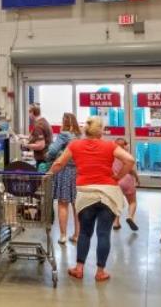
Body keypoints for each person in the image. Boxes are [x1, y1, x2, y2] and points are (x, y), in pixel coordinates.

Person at [49, 117, 135, 282]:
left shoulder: (75, 145)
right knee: (103, 234)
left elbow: (59, 163)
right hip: (108, 194)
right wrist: (118, 176)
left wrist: (47, 176)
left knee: (85, 233)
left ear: (85, 130)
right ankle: (100, 272)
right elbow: (129, 160)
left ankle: (79, 268)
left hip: (86, 193)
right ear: (101, 130)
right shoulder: (110, 145)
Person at [46, 113, 81, 245]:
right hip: (77, 172)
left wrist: (48, 154)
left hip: (65, 171)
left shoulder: (64, 134)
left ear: (64, 122)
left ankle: (63, 235)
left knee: (63, 203)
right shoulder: (79, 136)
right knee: (77, 205)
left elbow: (53, 151)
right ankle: (77, 235)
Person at [112, 138, 140, 231]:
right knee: (132, 202)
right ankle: (130, 217)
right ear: (125, 146)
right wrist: (137, 178)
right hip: (127, 180)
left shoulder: (112, 156)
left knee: (117, 203)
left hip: (116, 181)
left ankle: (116, 222)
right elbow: (130, 170)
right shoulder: (126, 156)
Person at [24, 103, 53, 169]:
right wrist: (24, 137)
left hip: (42, 159)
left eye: (29, 112)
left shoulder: (39, 126)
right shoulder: (43, 121)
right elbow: (37, 137)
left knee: (41, 178)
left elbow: (40, 145)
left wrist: (26, 145)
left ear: (32, 112)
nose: (28, 115)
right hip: (46, 157)